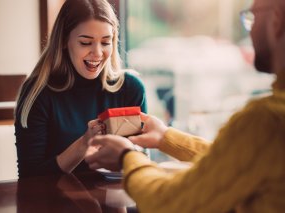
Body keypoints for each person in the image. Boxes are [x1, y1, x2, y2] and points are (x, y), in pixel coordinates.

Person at [85, 0, 285, 212]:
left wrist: (127, 158)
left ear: (276, 19)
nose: (250, 29)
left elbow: (168, 203)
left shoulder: (268, 120)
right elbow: (235, 160)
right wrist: (166, 137)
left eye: (252, 17)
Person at [14, 0, 147, 178]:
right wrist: (84, 143)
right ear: (63, 41)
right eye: (85, 43)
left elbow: (139, 164)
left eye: (106, 42)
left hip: (117, 201)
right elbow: (30, 177)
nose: (98, 53)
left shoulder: (130, 88)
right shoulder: (38, 93)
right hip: (53, 203)